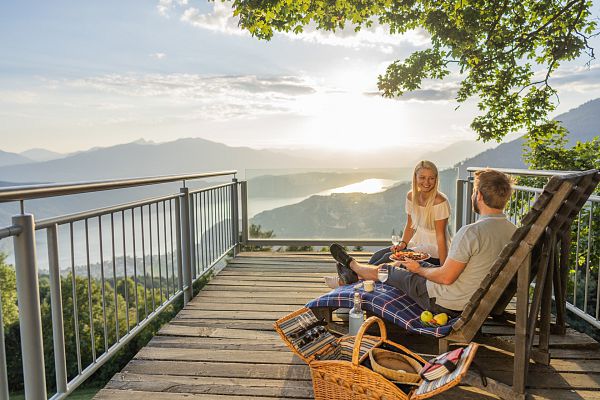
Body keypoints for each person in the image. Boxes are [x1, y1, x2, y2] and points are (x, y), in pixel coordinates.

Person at [330, 168, 516, 316]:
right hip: (471, 295)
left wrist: (418, 270)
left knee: (391, 270)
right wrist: (419, 266)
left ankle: (354, 267)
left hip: (445, 301)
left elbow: (445, 278)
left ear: (480, 197)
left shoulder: (471, 232)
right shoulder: (513, 232)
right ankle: (357, 275)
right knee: (401, 262)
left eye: (474, 192)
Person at [370, 160, 451, 266]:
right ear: (415, 177)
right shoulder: (411, 197)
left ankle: (360, 276)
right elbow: (410, 225)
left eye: (431, 178)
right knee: (378, 255)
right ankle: (359, 276)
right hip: (417, 243)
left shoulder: (440, 201)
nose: (427, 182)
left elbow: (441, 236)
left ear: (436, 179)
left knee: (387, 258)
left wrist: (443, 267)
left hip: (435, 248)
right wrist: (403, 244)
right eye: (422, 177)